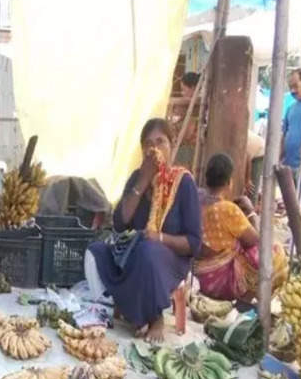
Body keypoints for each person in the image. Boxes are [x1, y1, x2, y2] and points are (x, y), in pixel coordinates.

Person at [85, 119, 202, 343]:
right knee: (95, 252)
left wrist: (160, 238)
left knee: (148, 251)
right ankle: (120, 304)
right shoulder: (137, 178)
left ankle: (154, 317)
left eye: (161, 142)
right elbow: (120, 223)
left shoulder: (183, 182)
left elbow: (194, 243)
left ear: (171, 145)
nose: (154, 149)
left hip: (170, 259)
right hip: (134, 255)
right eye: (148, 144)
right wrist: (143, 180)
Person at [194, 153, 288, 305]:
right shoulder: (228, 210)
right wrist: (251, 212)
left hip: (201, 276)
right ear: (229, 182)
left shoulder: (196, 197)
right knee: (275, 250)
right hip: (222, 283)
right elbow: (257, 241)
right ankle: (248, 296)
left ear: (206, 178)